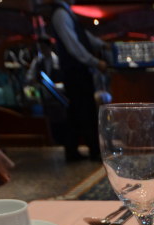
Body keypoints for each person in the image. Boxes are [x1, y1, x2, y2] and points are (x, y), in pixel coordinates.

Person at [44, 0, 110, 161]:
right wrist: (95, 61)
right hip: (75, 72)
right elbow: (73, 46)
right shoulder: (60, 13)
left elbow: (84, 37)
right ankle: (92, 151)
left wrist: (103, 45)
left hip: (78, 71)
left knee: (76, 112)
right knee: (84, 111)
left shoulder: (67, 12)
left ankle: (73, 152)